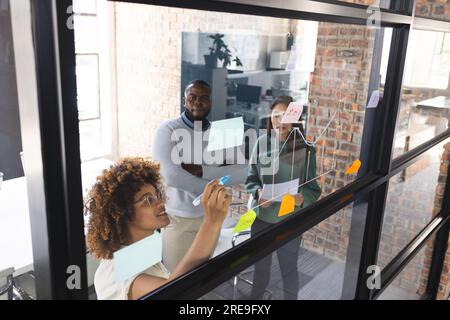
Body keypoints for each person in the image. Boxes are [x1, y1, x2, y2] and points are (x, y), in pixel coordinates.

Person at [86, 157, 231, 300]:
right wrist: (212, 222)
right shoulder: (118, 271)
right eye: (148, 199)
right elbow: (173, 291)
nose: (161, 203)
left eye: (157, 195)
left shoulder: (139, 249)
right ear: (122, 213)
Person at [152, 80, 247, 271]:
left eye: (204, 98)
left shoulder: (222, 132)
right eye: (192, 97)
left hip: (211, 218)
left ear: (211, 102)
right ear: (184, 101)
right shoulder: (168, 130)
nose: (198, 102)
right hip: (179, 221)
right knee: (175, 281)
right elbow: (172, 177)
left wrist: (203, 170)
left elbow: (242, 173)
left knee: (201, 277)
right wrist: (219, 179)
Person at [246, 96, 321, 300]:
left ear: (295, 119)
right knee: (260, 270)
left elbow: (313, 189)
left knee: (289, 271)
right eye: (276, 115)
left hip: (289, 220)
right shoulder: (261, 143)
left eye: (285, 116)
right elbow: (251, 177)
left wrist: (301, 197)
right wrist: (258, 192)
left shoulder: (305, 150)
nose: (280, 121)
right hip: (261, 218)